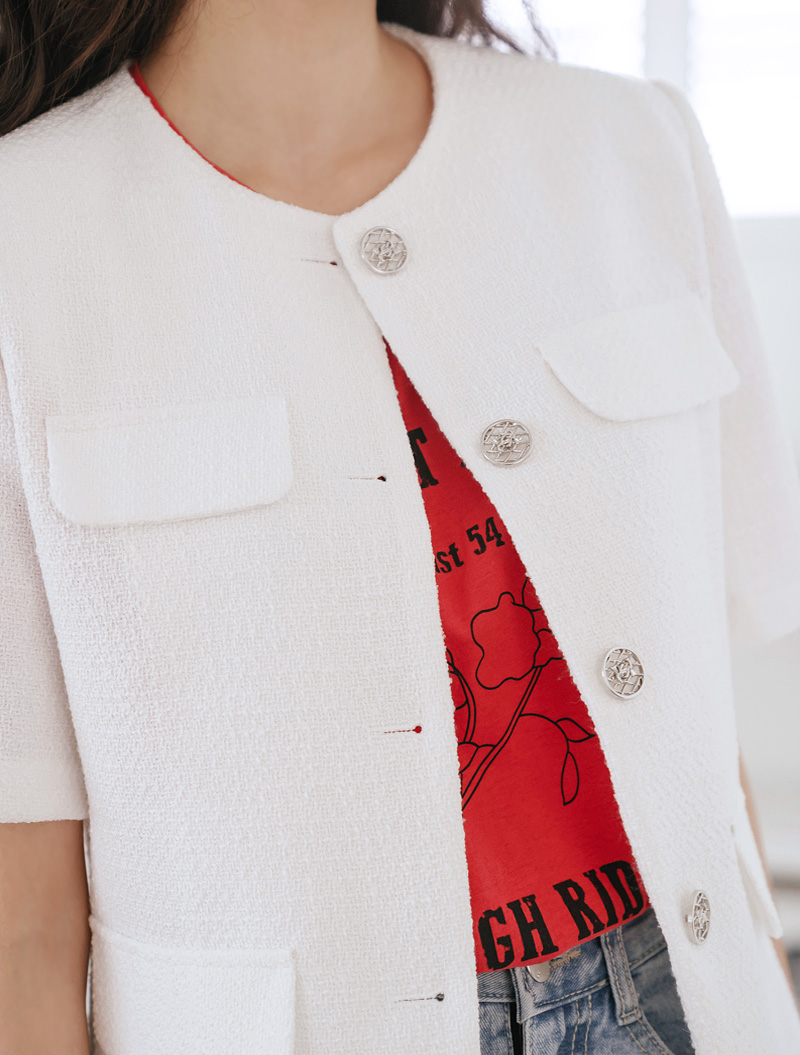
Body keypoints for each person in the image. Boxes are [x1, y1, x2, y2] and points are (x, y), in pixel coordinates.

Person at [1, 1, 799, 1053]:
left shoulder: (629, 145)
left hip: (684, 1000)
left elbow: (700, 737)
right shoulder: (25, 233)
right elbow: (23, 926)